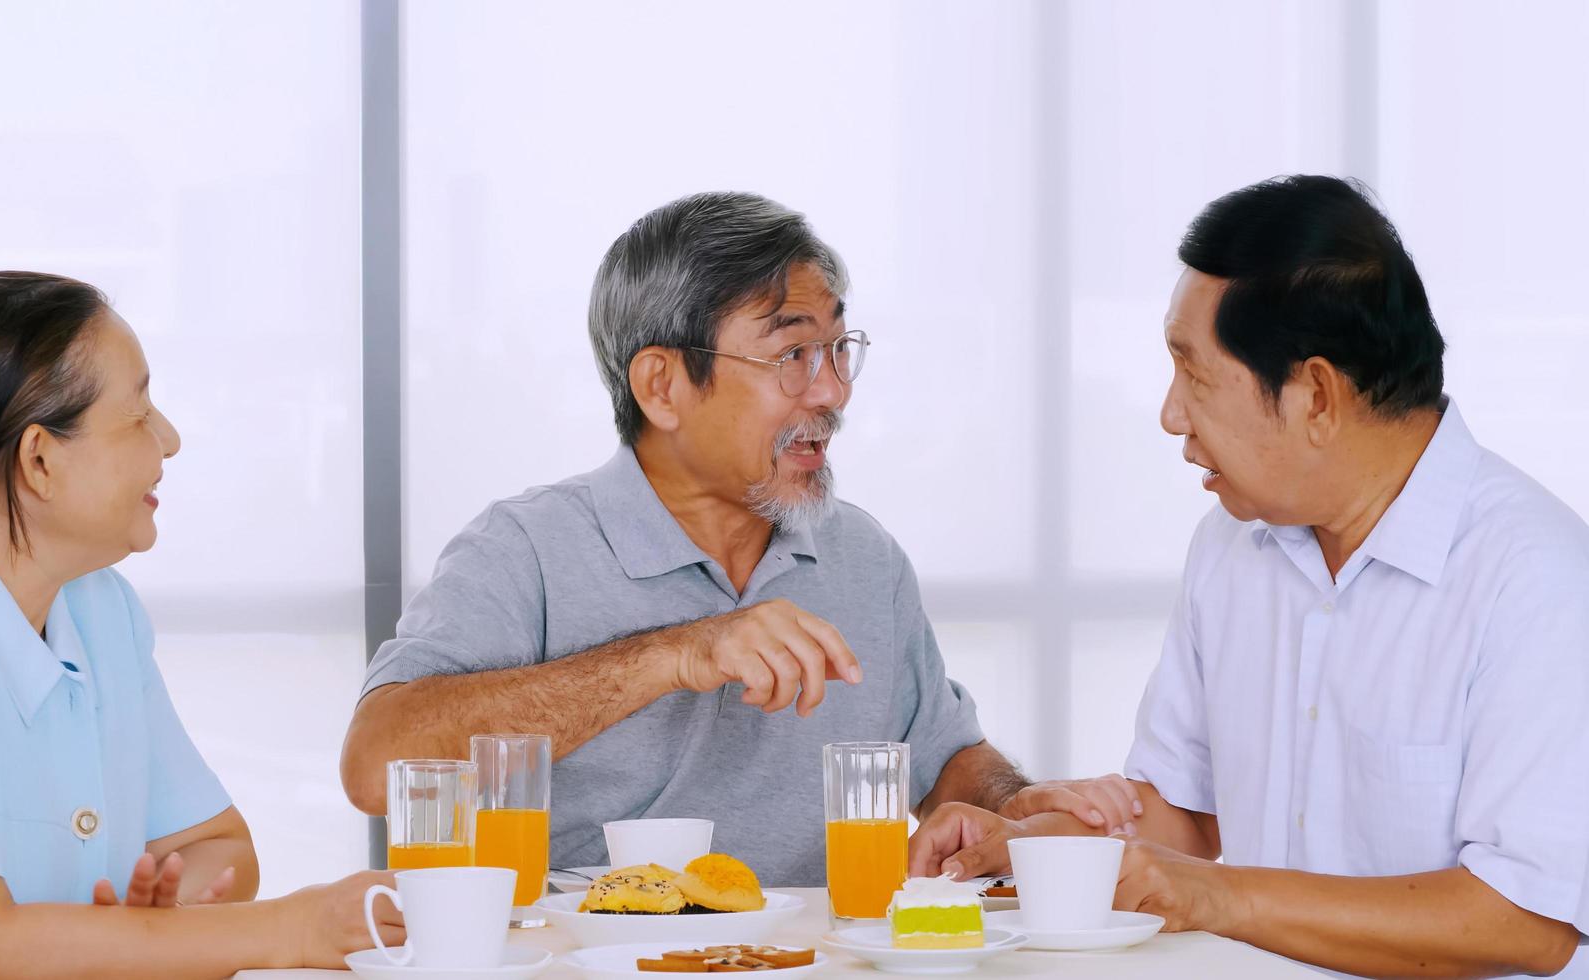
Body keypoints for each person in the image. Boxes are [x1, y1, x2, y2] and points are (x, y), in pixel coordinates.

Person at [909, 176, 1588, 977]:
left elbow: (1527, 921)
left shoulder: (1536, 576)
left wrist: (1218, 898)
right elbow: (1183, 821)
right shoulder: (1233, 547)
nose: (1170, 415)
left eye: (1193, 375)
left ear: (1317, 396)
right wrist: (1026, 846)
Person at [340, 192, 1111, 885]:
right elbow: (377, 766)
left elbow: (943, 759)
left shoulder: (862, 558)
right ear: (661, 386)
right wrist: (679, 653)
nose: (833, 391)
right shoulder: (525, 549)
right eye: (792, 354)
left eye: (840, 350)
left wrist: (1015, 806)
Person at [0, 272, 400, 977]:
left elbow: (221, 847)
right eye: (138, 414)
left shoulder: (99, 606)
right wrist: (290, 930)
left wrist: (133, 936)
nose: (167, 440)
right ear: (40, 459)